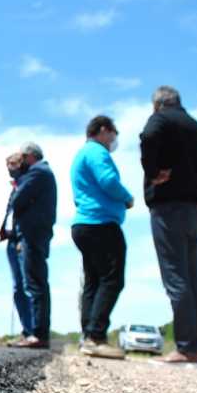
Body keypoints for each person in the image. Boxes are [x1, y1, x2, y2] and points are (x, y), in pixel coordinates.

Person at [141, 86, 197, 366]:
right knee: (193, 279)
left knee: (176, 277)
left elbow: (149, 135)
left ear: (158, 104)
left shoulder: (162, 120)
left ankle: (186, 348)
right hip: (194, 212)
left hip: (168, 208)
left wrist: (153, 173)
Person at [70, 115, 133, 359]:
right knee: (112, 279)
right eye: (113, 135)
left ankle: (88, 336)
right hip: (101, 223)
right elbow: (108, 180)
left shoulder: (82, 153)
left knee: (93, 282)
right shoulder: (96, 151)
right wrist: (127, 197)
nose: (114, 141)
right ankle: (96, 336)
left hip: (84, 224)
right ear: (104, 130)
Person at [10, 141, 56, 349]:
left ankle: (39, 333)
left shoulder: (37, 173)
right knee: (34, 282)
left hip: (33, 234)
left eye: (21, 159)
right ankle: (35, 332)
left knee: (35, 283)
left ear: (29, 157)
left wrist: (18, 179)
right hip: (34, 233)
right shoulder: (40, 172)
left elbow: (17, 200)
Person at [0, 152, 33, 344]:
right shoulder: (15, 187)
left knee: (27, 285)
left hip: (22, 238)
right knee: (17, 287)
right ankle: (26, 330)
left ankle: (32, 330)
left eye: (13, 164)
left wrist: (23, 236)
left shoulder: (28, 184)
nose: (10, 169)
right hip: (12, 239)